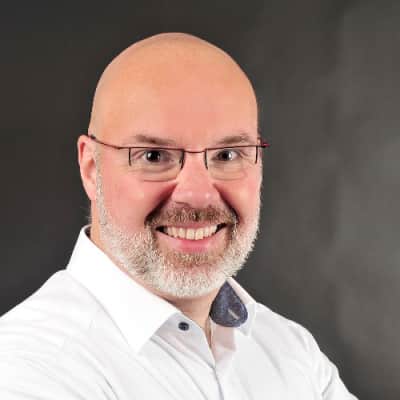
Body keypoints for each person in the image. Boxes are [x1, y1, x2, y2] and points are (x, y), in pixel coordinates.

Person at [0, 33, 357, 399]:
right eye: (154, 156)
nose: (198, 194)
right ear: (92, 169)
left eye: (228, 155)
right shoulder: (29, 370)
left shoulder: (291, 353)